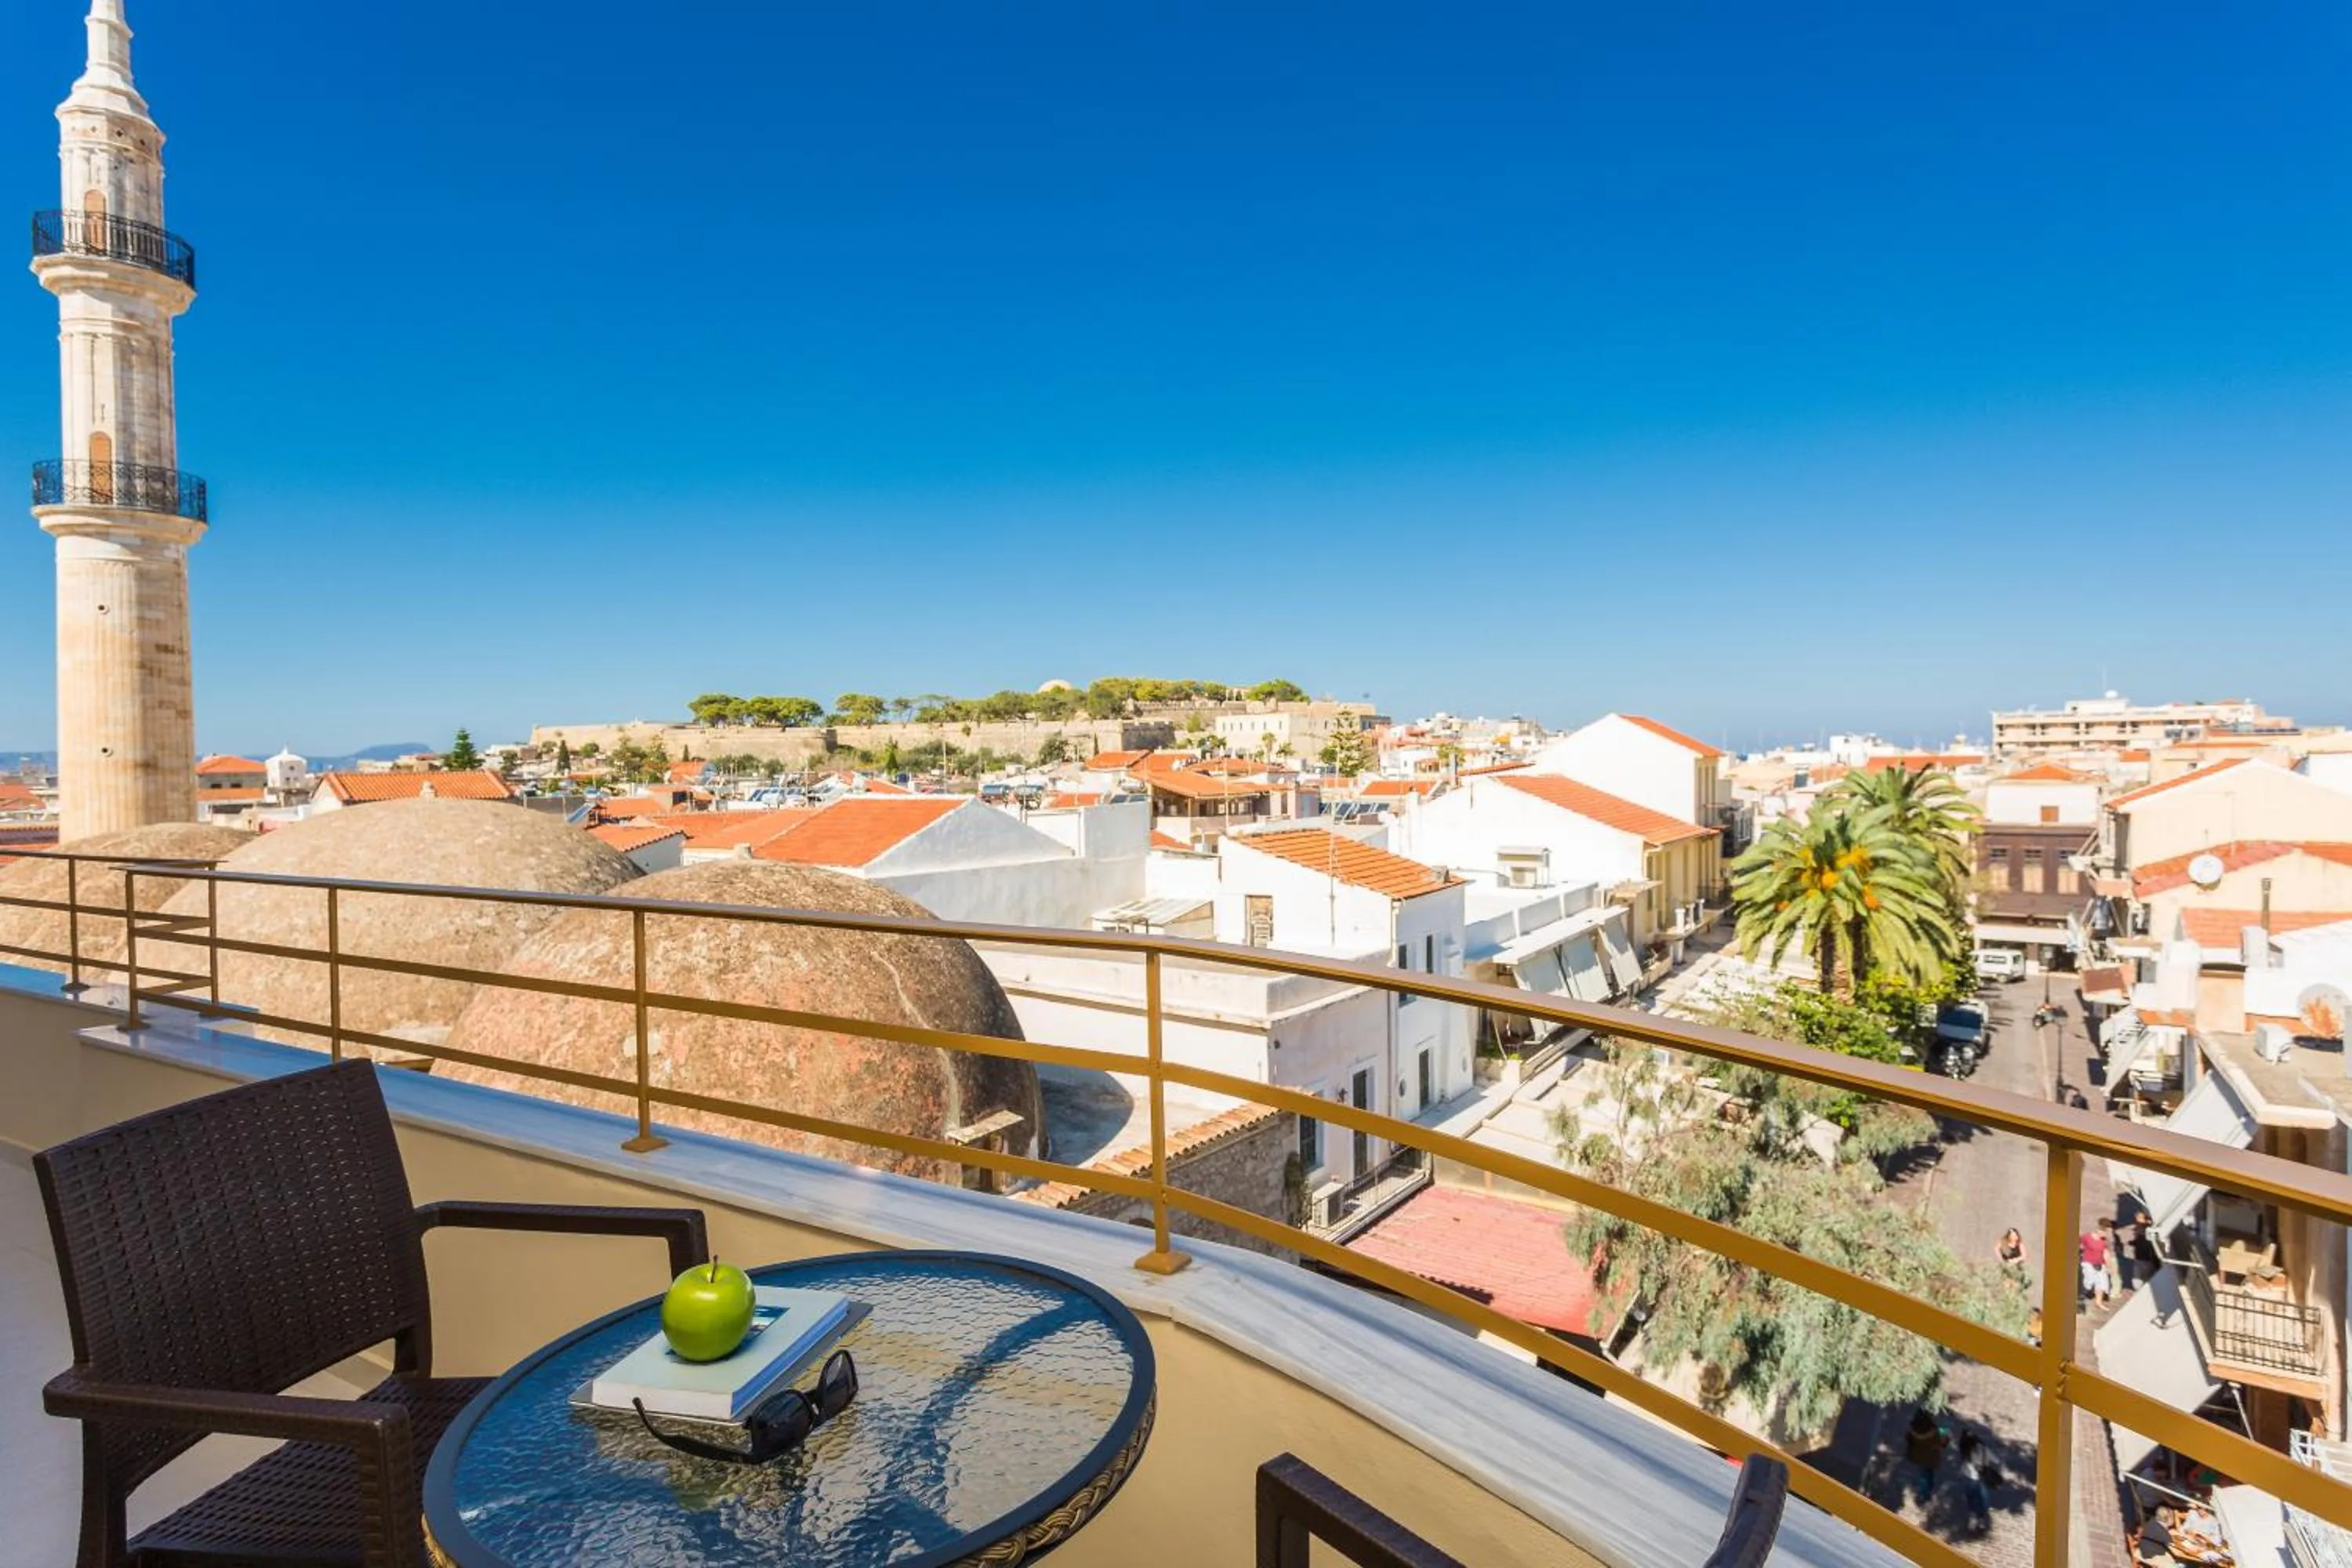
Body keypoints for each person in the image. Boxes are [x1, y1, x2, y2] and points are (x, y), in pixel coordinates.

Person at [1904, 1406, 1947, 1506]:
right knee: (1927, 1477)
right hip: (1930, 1458)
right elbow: (1943, 1443)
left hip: (1917, 1455)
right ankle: (1924, 1496)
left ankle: (1924, 1494)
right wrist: (1945, 1433)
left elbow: (1908, 1439)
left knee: (1923, 1475)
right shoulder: (1935, 1431)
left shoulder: (1912, 1429)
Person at [1957, 1430, 1996, 1533]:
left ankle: (1972, 1520)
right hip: (1981, 1477)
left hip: (1967, 1477)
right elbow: (1996, 1460)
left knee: (1971, 1498)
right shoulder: (1983, 1449)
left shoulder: (1964, 1449)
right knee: (1982, 1499)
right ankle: (1981, 1521)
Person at [2081, 1224, 2114, 1308]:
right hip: (2088, 1262)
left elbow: (2106, 1253)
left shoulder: (2104, 1241)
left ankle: (2099, 1303)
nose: (2106, 1235)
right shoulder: (2087, 1237)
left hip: (2100, 1264)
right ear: (2100, 1231)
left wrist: (2109, 1266)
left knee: (2103, 1283)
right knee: (2090, 1279)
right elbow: (2080, 1242)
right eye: (2105, 1232)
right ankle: (2086, 1291)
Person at [2137, 1501, 2179, 1565]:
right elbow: (2174, 1548)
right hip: (2153, 1556)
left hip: (2144, 1549)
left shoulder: (2153, 1520)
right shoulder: (2164, 1534)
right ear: (2168, 1519)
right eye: (2173, 1516)